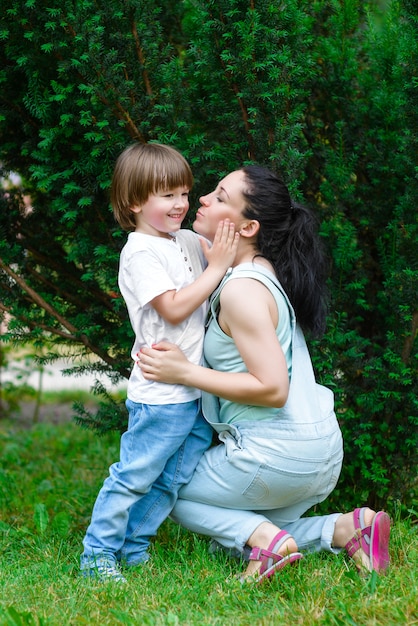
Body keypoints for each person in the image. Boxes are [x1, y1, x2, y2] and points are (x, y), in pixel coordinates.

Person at [138, 164, 391, 583]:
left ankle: (267, 542)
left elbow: (273, 389)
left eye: (220, 197)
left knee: (169, 488)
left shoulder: (241, 290)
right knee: (233, 537)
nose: (201, 199)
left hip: (278, 457)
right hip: (317, 452)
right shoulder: (260, 273)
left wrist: (184, 372)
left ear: (248, 226)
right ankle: (346, 528)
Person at [80, 142, 239, 582]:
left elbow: (229, 248)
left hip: (196, 391)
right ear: (134, 201)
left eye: (185, 193)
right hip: (161, 395)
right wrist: (216, 269)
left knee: (170, 480)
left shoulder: (186, 239)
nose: (182, 204)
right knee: (134, 476)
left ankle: (133, 548)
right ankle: (97, 556)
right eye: (168, 195)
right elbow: (171, 308)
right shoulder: (140, 252)